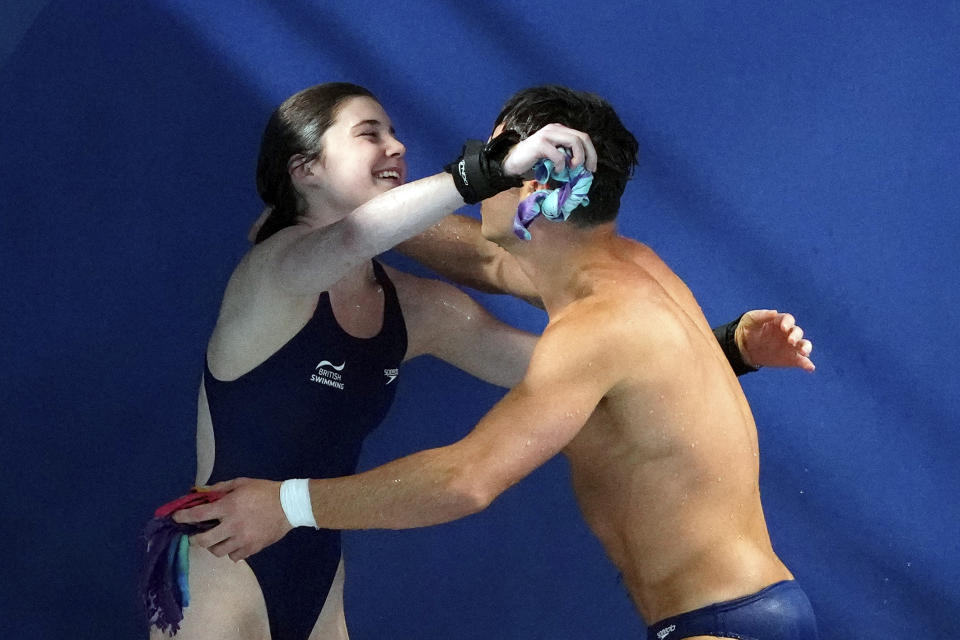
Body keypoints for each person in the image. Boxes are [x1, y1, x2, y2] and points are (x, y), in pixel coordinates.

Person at [175, 85, 818, 640]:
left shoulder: (594, 326)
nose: (475, 164)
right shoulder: (632, 271)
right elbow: (481, 261)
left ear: (538, 181)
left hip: (719, 625)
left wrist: (286, 505)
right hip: (749, 609)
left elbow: (466, 479)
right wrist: (726, 349)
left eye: (501, 155)